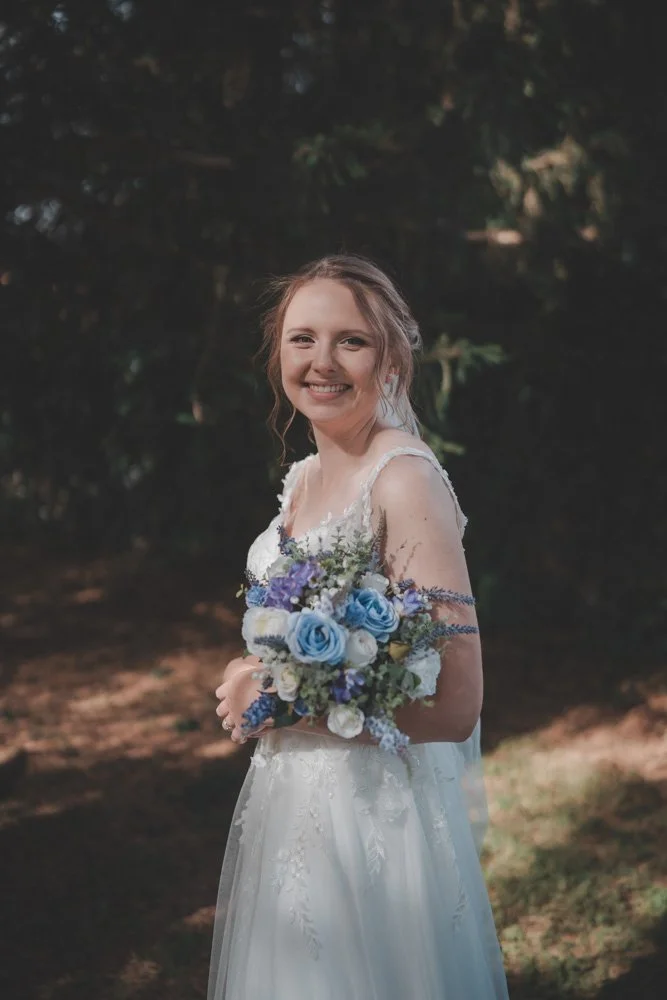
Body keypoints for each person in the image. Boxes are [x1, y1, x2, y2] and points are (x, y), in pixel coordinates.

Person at [208, 254, 510, 999]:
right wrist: (253, 671)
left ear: (391, 359)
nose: (321, 362)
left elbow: (457, 703)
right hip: (292, 809)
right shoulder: (303, 478)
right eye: (301, 338)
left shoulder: (403, 479)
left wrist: (281, 700)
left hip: (373, 822)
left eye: (351, 341)